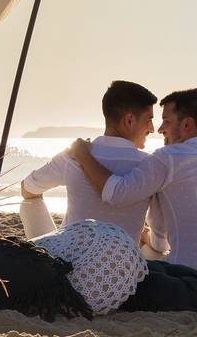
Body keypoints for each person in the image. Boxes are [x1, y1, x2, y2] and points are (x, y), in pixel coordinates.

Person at [69, 88, 197, 300]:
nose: (159, 129)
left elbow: (117, 193)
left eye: (166, 121)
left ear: (187, 124)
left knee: (146, 262)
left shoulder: (167, 158)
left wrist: (82, 155)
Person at [19, 80, 157, 245]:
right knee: (150, 246)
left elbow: (27, 188)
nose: (152, 128)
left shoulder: (72, 155)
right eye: (148, 119)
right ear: (129, 121)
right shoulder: (150, 165)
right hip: (122, 264)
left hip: (67, 260)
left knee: (29, 202)